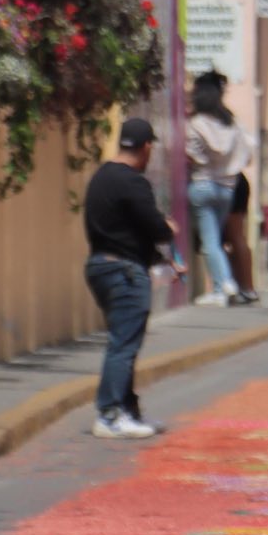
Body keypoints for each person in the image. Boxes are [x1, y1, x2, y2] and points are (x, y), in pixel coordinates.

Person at [82, 118, 173, 440]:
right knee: (124, 344)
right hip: (124, 272)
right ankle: (110, 414)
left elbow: (123, 232)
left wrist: (161, 260)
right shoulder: (133, 183)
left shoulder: (100, 178)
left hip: (100, 266)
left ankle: (128, 410)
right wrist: (169, 228)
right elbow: (156, 229)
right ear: (147, 146)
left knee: (123, 339)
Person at [184, 78, 254, 307]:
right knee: (218, 238)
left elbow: (192, 154)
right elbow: (248, 151)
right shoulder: (231, 124)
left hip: (203, 185)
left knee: (210, 241)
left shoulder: (196, 123)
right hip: (227, 188)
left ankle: (223, 286)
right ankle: (223, 285)